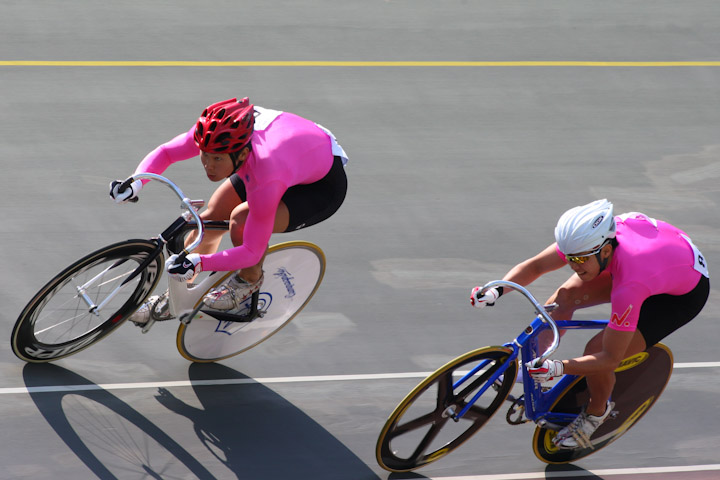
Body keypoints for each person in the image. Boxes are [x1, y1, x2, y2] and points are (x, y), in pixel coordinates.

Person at [470, 199, 709, 449]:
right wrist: (496, 289)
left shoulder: (629, 284)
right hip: (658, 258)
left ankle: (596, 414)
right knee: (564, 297)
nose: (573, 266)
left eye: (580, 260)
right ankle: (532, 367)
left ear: (605, 250)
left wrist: (558, 367)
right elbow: (536, 266)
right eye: (569, 258)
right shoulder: (585, 242)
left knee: (596, 350)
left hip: (677, 297)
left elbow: (609, 358)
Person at [110, 97, 348, 324]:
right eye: (205, 155)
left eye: (217, 159)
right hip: (289, 154)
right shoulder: (218, 134)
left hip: (318, 187)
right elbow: (167, 152)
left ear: (241, 154)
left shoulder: (266, 174)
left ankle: (249, 280)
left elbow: (252, 251)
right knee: (209, 219)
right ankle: (180, 293)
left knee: (241, 221)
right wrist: (135, 182)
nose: (208, 166)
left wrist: (199, 262)